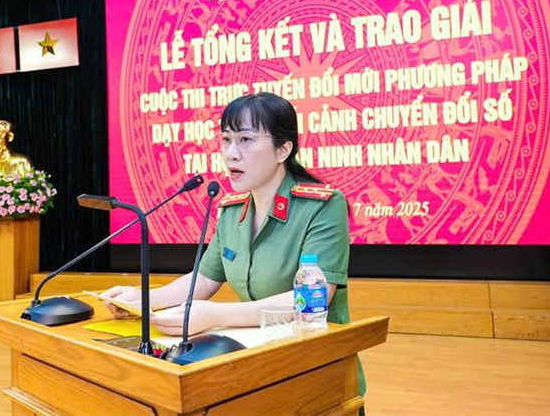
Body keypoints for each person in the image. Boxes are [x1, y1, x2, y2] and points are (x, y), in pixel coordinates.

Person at [102, 92, 366, 397]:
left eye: (246, 140)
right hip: (256, 366)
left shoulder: (322, 206)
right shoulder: (232, 211)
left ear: (283, 149)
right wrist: (144, 299)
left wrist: (217, 315)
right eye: (226, 140)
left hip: (317, 370)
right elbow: (204, 280)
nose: (231, 154)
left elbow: (312, 298)